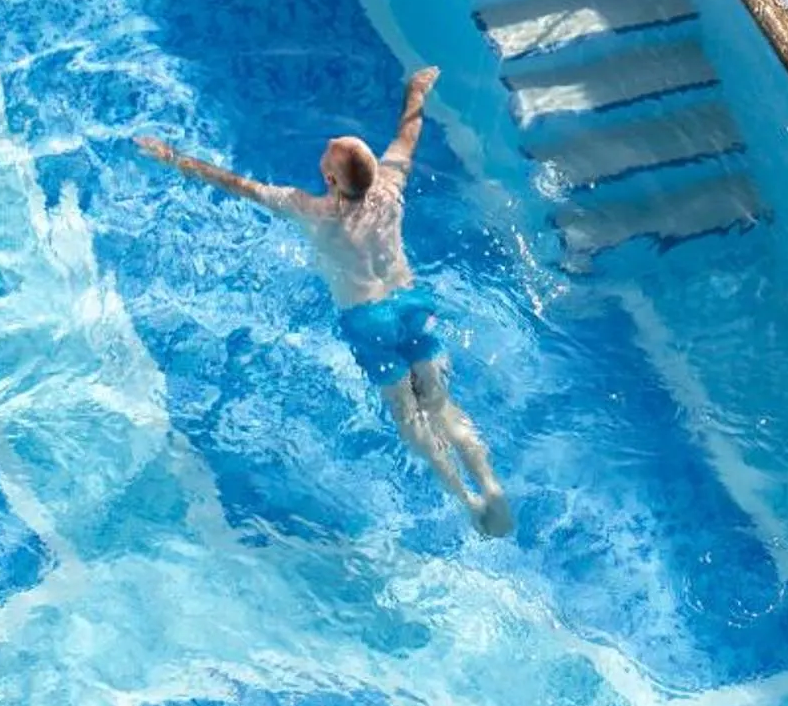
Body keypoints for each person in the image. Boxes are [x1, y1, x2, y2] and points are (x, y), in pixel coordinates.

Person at [136, 66, 514, 538]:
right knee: (438, 400)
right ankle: (491, 483)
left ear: (332, 180)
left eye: (328, 156)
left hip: (369, 318)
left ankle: (467, 500)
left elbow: (233, 183)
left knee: (407, 411)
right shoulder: (391, 187)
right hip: (412, 303)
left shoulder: (309, 210)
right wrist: (417, 91)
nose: (324, 153)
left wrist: (171, 156)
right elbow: (408, 132)